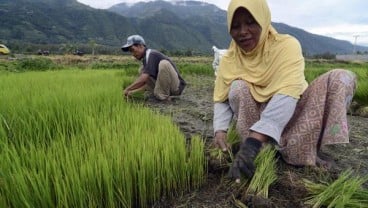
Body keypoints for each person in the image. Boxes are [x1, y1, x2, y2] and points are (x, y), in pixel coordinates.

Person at [212, 0, 357, 182]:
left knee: (341, 77)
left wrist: (252, 144)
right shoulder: (230, 59)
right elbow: (222, 97)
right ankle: (262, 150)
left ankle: (299, 150)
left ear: (263, 20)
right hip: (256, 122)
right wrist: (220, 130)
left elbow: (288, 93)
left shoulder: (286, 46)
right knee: (237, 87)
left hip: (294, 116)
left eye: (250, 22)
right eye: (235, 26)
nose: (242, 31)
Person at [121, 35, 186, 102]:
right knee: (142, 69)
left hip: (176, 88)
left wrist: (127, 89)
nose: (133, 54)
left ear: (140, 46)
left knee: (164, 64)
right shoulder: (146, 59)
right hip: (167, 86)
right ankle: (159, 93)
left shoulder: (151, 54)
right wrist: (132, 92)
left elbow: (144, 78)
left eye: (133, 50)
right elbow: (147, 85)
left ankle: (163, 97)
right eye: (130, 51)